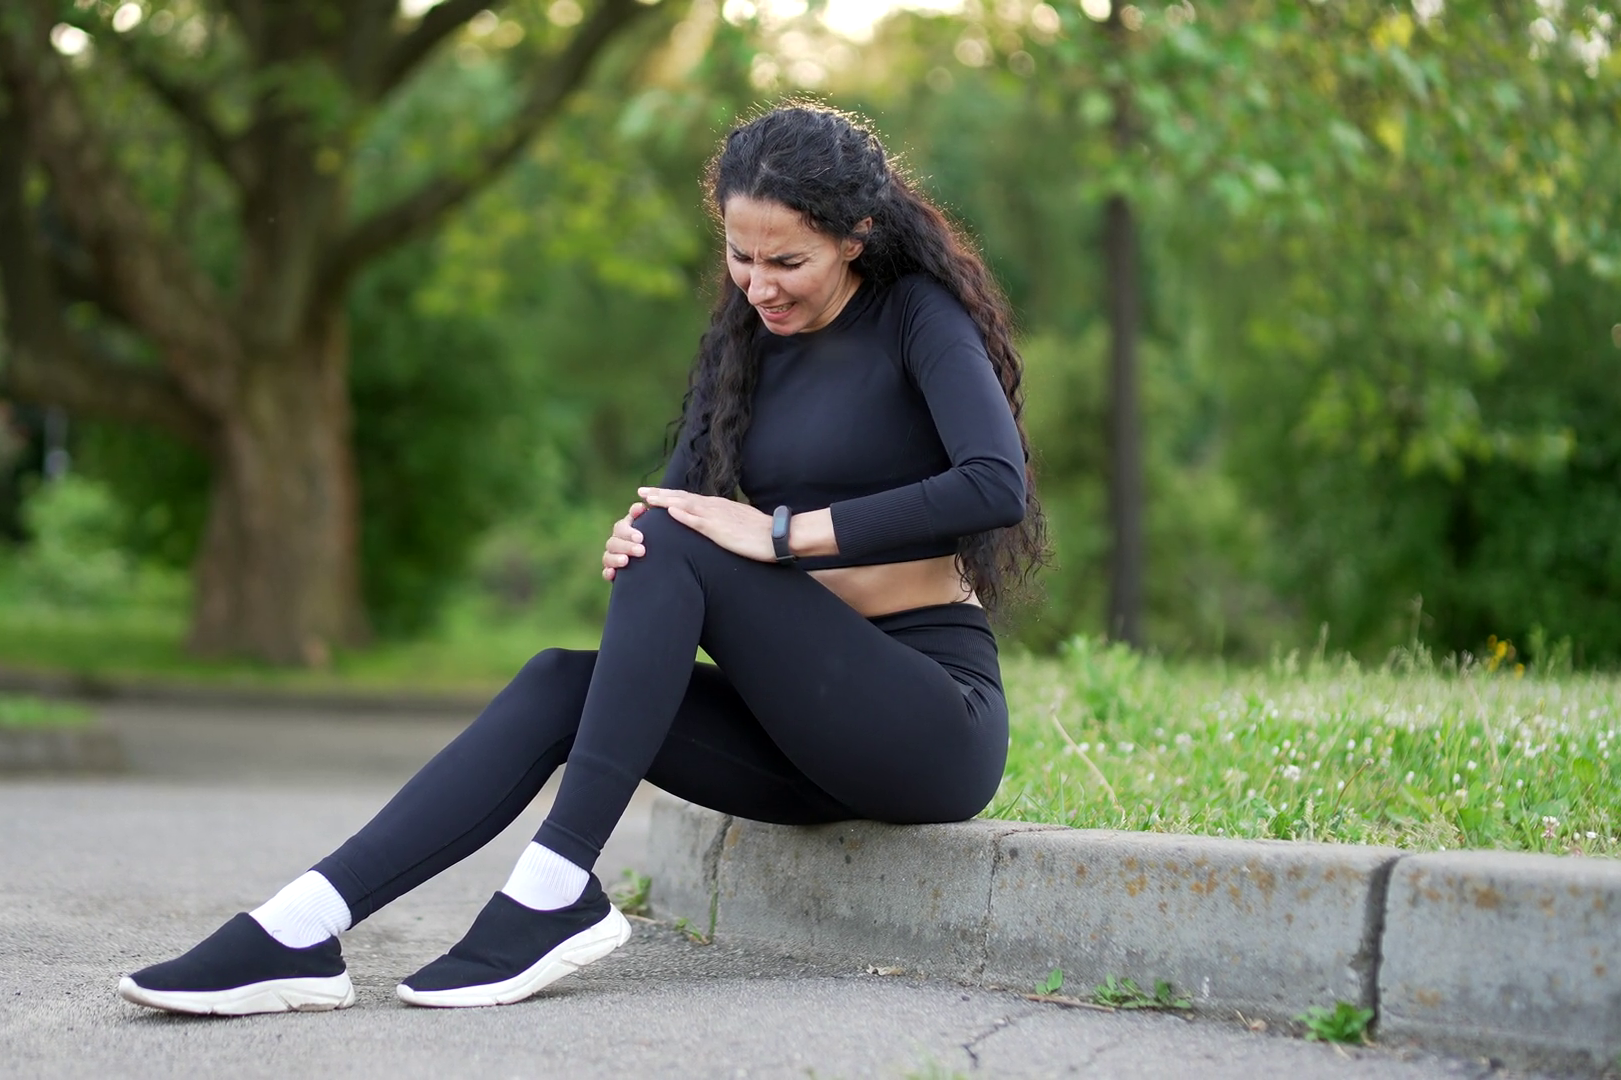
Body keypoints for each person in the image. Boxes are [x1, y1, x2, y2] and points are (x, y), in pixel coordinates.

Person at [116, 103, 1047, 1016]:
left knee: (678, 539)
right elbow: (677, 515)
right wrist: (639, 542)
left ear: (856, 236)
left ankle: (555, 889)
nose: (759, 285)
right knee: (562, 676)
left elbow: (993, 484)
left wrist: (777, 534)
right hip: (796, 738)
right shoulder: (746, 340)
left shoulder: (916, 316)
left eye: (787, 262)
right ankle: (300, 926)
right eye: (740, 256)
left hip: (925, 723)